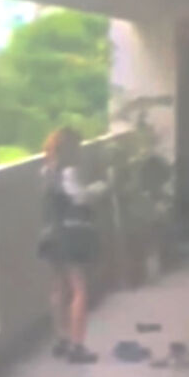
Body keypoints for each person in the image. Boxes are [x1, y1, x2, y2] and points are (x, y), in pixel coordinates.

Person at [37, 126, 109, 364]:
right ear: (71, 148)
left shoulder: (47, 171)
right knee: (79, 290)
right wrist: (100, 188)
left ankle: (61, 338)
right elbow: (80, 197)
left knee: (58, 288)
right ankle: (78, 346)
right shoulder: (69, 172)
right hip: (70, 236)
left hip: (51, 235)